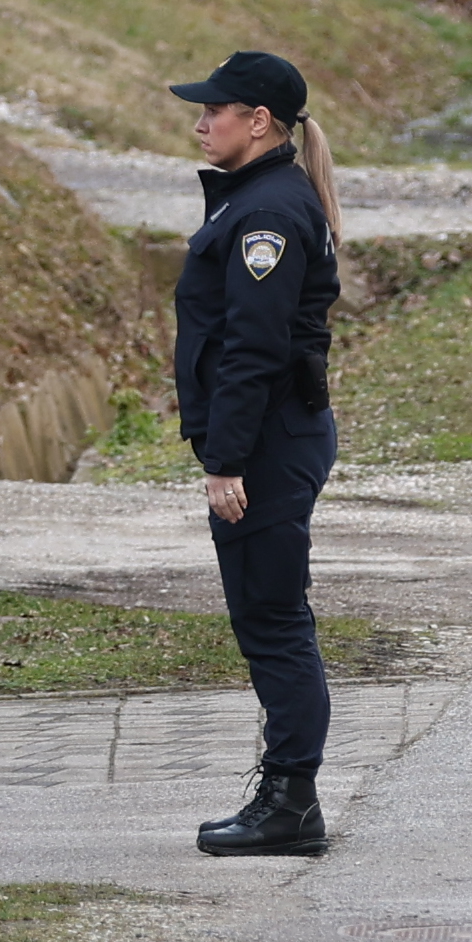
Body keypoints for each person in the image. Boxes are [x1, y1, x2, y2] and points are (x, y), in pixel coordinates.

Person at [168, 48, 345, 856]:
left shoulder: (266, 214)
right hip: (271, 437)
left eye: (215, 111)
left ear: (259, 122)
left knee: (273, 618)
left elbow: (253, 348)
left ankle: (291, 804)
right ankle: (286, 795)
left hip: (268, 443)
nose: (202, 123)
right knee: (268, 614)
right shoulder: (256, 199)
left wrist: (226, 459)